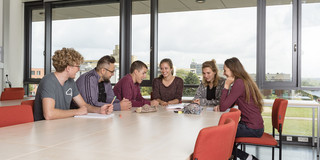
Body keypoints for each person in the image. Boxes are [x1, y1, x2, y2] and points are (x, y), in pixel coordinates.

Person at [33, 48, 113, 121]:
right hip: (44, 129)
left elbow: (84, 105)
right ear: (68, 68)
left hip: (61, 126)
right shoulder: (48, 81)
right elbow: (49, 114)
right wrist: (76, 111)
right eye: (77, 66)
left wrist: (100, 110)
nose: (79, 69)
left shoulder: (70, 82)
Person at [218, 57, 264, 160]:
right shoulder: (243, 81)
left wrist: (226, 85)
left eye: (225, 70)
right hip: (252, 125)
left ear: (232, 69)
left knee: (219, 135)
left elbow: (223, 107)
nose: (224, 73)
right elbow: (228, 105)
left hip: (252, 128)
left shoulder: (239, 83)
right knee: (223, 134)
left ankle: (247, 157)